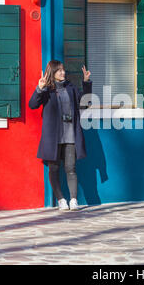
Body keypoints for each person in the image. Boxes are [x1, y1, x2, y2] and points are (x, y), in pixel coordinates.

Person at [29, 60, 92, 211]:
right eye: (59, 71)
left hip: (70, 134)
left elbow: (85, 103)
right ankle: (61, 199)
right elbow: (32, 105)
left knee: (71, 168)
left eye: (63, 70)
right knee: (54, 169)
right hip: (53, 137)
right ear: (52, 73)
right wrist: (40, 88)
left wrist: (86, 82)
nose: (63, 73)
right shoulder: (47, 90)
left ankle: (74, 200)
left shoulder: (70, 87)